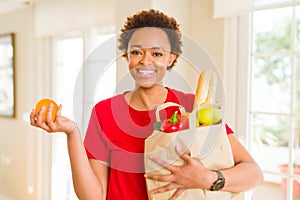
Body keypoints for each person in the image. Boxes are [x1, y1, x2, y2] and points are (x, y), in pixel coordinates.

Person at [30, 9, 263, 200]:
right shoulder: (105, 112)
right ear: (127, 56)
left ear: (171, 58)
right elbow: (94, 196)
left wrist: (208, 179)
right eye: (137, 52)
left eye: (157, 54)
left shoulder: (195, 106)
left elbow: (254, 173)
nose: (145, 61)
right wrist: (72, 133)